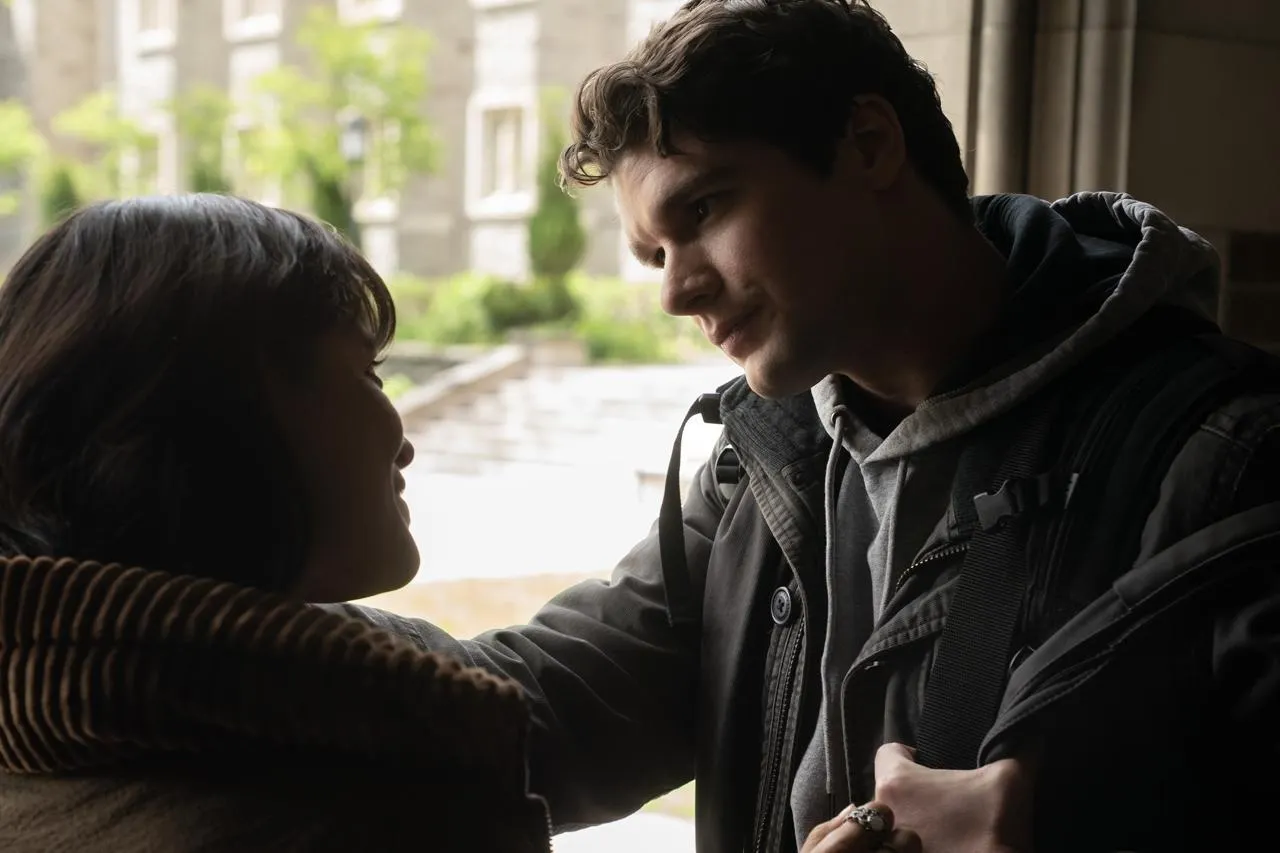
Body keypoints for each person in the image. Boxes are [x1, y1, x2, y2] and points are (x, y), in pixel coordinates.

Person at [334, 1, 1280, 851]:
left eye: (703, 208)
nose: (674, 291)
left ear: (868, 144)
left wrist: (1064, 823)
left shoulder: (1228, 456)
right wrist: (272, 645)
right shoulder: (767, 456)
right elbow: (555, 701)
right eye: (653, 252)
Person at [0, 195, 552, 853]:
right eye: (368, 375)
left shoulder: (55, 719)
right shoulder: (363, 808)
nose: (403, 443)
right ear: (223, 423)